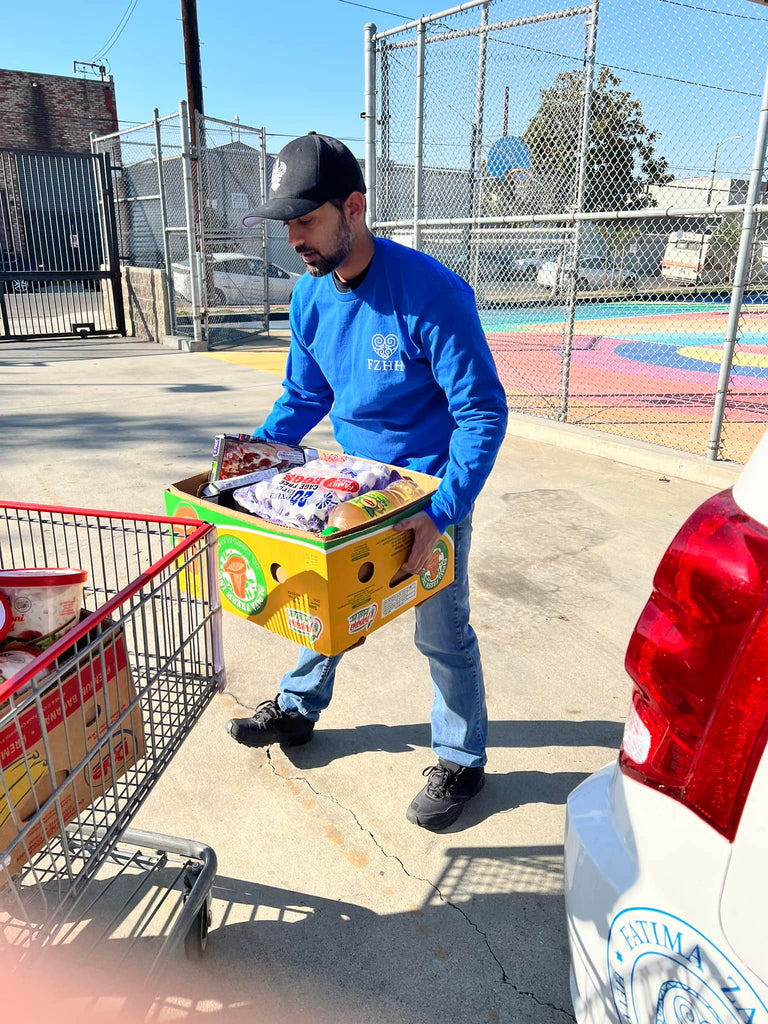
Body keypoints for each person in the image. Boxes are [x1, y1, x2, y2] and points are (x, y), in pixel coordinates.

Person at [226, 132, 508, 830]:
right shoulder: (310, 296)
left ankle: (462, 759)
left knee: (442, 633)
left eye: (307, 219)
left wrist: (443, 511)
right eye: (287, 223)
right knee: (320, 602)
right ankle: (297, 708)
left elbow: (481, 411)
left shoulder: (432, 294)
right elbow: (304, 395)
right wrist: (250, 463)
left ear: (353, 207)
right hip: (353, 487)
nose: (294, 238)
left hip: (426, 497)